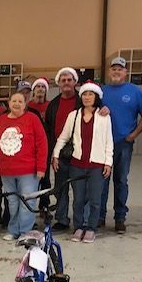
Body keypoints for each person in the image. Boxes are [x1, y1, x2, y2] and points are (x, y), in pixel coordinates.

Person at [53, 81, 113, 244]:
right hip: (77, 165)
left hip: (97, 165)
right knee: (78, 198)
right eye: (84, 94)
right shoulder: (74, 115)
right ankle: (79, 227)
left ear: (96, 97)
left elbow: (109, 141)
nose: (87, 97)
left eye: (90, 94)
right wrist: (56, 155)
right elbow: (63, 137)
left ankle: (91, 228)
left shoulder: (104, 116)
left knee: (95, 199)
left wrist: (108, 162)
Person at [99, 57, 142, 234]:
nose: (116, 72)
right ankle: (99, 216)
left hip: (123, 144)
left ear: (125, 72)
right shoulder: (101, 91)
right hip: (102, 145)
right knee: (102, 181)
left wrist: (134, 134)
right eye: (113, 69)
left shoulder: (134, 91)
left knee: (121, 180)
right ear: (109, 72)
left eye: (120, 69)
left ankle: (120, 218)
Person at [0, 92, 48, 241]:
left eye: (20, 101)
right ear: (8, 102)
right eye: (14, 100)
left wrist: (41, 167)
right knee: (12, 202)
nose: (17, 103)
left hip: (28, 170)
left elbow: (42, 143)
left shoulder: (32, 119)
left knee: (27, 201)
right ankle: (13, 230)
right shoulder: (1, 120)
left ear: (25, 104)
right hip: (7, 170)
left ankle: (25, 231)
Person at [44, 67, 80, 231]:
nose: (66, 83)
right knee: (61, 187)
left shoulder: (84, 100)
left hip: (80, 153)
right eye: (63, 80)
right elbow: (50, 129)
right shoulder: (53, 104)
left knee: (80, 189)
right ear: (58, 83)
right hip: (60, 151)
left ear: (75, 82)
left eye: (69, 80)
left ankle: (81, 220)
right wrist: (53, 153)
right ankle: (62, 218)